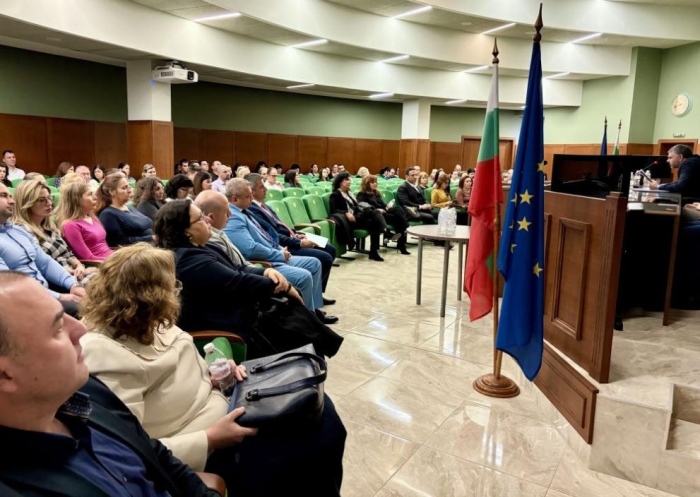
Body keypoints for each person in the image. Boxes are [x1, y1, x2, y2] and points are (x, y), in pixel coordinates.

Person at [0, 272, 221, 497]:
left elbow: (155, 454)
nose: (81, 329)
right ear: (4, 375)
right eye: (57, 328)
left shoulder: (86, 390)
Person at [152, 201, 301, 334]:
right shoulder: (188, 259)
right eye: (200, 218)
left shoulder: (202, 247)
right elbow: (237, 281)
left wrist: (267, 271)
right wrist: (283, 286)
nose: (207, 219)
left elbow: (236, 268)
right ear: (186, 231)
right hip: (224, 327)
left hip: (240, 313)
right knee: (296, 321)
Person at [223, 179, 337, 323]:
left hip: (276, 251)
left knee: (314, 263)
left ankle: (313, 311)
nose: (252, 198)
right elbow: (250, 248)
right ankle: (308, 320)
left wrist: (279, 248)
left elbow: (265, 234)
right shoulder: (234, 217)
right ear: (235, 199)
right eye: (248, 196)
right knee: (304, 275)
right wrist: (279, 254)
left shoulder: (244, 211)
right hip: (266, 261)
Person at [246, 173, 337, 303]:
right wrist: (299, 242)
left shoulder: (264, 205)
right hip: (285, 245)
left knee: (330, 248)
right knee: (324, 257)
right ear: (252, 191)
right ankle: (312, 296)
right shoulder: (252, 210)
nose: (266, 189)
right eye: (261, 187)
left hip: (291, 238)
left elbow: (281, 225)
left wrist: (296, 233)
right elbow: (273, 235)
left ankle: (317, 293)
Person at [0, 183, 85, 316]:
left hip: (44, 292)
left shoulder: (18, 231)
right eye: (3, 196)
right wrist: (60, 296)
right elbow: (9, 283)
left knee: (92, 296)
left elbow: (45, 263)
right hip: (21, 303)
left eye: (10, 196)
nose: (12, 201)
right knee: (81, 309)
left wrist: (73, 285)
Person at [12, 180, 97, 283]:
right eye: (42, 200)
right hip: (58, 281)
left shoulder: (49, 227)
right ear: (27, 203)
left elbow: (69, 254)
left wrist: (79, 266)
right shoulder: (21, 231)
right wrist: (73, 272)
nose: (49, 203)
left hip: (74, 273)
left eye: (49, 198)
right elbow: (38, 267)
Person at [329, 172, 386, 261]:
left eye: (349, 179)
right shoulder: (335, 194)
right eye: (346, 180)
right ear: (340, 182)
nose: (349, 181)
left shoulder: (349, 193)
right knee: (375, 213)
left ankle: (373, 252)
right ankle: (385, 231)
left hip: (357, 217)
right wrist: (346, 212)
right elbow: (334, 210)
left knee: (374, 221)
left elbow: (356, 206)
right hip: (349, 221)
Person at [55, 182, 114, 261]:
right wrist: (115, 260)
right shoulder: (70, 226)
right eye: (90, 194)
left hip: (111, 258)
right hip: (100, 264)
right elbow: (88, 258)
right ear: (77, 200)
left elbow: (105, 248)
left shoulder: (92, 218)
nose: (95, 197)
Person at [357, 174, 410, 255]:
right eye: (372, 182)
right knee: (397, 219)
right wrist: (377, 209)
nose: (375, 184)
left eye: (376, 182)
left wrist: (387, 206)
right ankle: (398, 234)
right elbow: (364, 207)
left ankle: (401, 243)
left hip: (383, 213)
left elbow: (382, 204)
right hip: (373, 215)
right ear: (367, 184)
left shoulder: (376, 192)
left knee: (398, 210)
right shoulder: (361, 194)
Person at [96, 173, 153, 247]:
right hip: (136, 251)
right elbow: (119, 242)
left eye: (129, 187)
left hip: (151, 245)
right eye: (124, 188)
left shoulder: (130, 207)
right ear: (111, 192)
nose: (129, 191)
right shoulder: (107, 214)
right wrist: (150, 238)